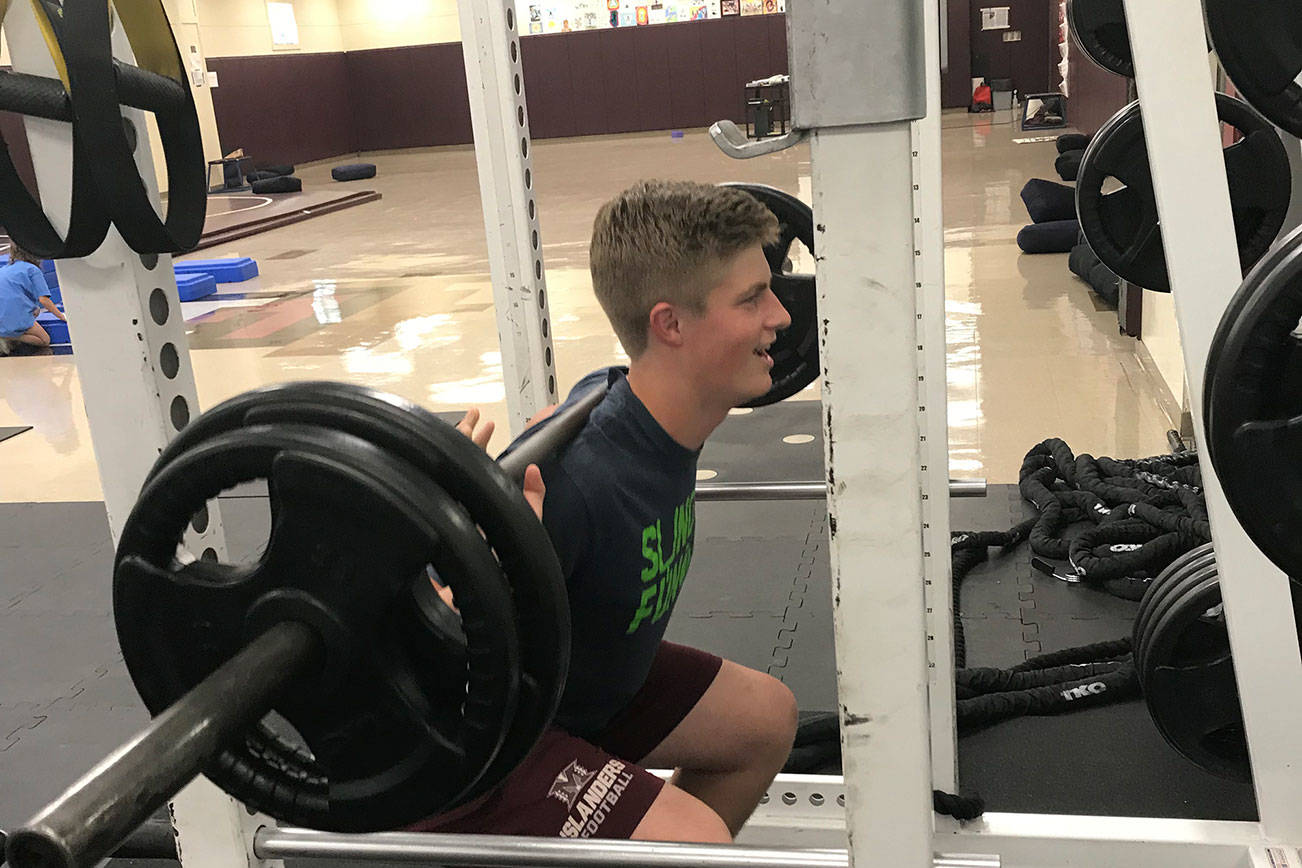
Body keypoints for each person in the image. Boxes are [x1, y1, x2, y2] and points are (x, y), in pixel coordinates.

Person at [416, 180, 798, 843]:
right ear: (669, 324)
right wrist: (469, 576)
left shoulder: (621, 395)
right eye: (751, 299)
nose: (782, 316)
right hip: (481, 754)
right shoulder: (576, 483)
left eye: (770, 287)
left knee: (765, 718)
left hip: (581, 696)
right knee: (693, 844)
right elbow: (433, 659)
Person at [0, 245, 64, 356]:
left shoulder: (5, 268)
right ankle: (9, 335)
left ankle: (7, 333)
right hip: (12, 315)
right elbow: (44, 300)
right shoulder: (32, 270)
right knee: (44, 340)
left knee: (35, 310)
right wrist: (62, 316)